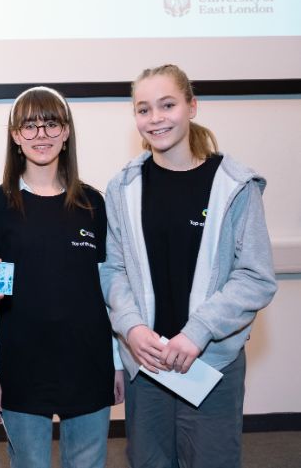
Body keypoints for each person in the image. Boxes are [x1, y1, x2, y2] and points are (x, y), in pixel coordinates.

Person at [103, 64, 277, 468]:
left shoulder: (235, 185)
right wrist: (133, 327)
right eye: (143, 109)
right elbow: (112, 269)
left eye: (167, 105)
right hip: (146, 365)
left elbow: (256, 276)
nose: (156, 118)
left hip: (211, 364)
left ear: (192, 106)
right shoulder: (123, 187)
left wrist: (197, 333)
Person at [0, 86, 123, 468]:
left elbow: (106, 289)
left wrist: (118, 363)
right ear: (14, 137)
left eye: (51, 124)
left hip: (87, 363)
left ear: (67, 131)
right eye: (29, 126)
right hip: (20, 365)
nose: (41, 135)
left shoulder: (93, 203)